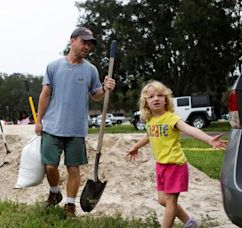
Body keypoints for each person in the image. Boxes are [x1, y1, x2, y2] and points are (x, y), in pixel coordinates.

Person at [35, 27, 116, 218]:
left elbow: (96, 95)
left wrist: (105, 88)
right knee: (50, 166)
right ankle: (55, 192)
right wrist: (38, 120)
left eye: (90, 44)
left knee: (73, 168)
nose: (87, 46)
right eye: (83, 42)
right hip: (52, 126)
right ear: (72, 41)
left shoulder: (90, 70)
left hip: (76, 129)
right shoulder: (53, 66)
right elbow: (45, 94)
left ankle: (70, 206)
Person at [126, 80, 227, 228]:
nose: (156, 98)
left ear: (166, 99)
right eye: (151, 96)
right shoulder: (150, 120)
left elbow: (189, 129)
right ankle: (190, 222)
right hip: (161, 165)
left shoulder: (171, 118)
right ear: (145, 102)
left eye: (160, 95)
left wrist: (209, 139)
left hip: (175, 164)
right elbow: (149, 135)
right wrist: (136, 147)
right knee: (162, 200)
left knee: (170, 202)